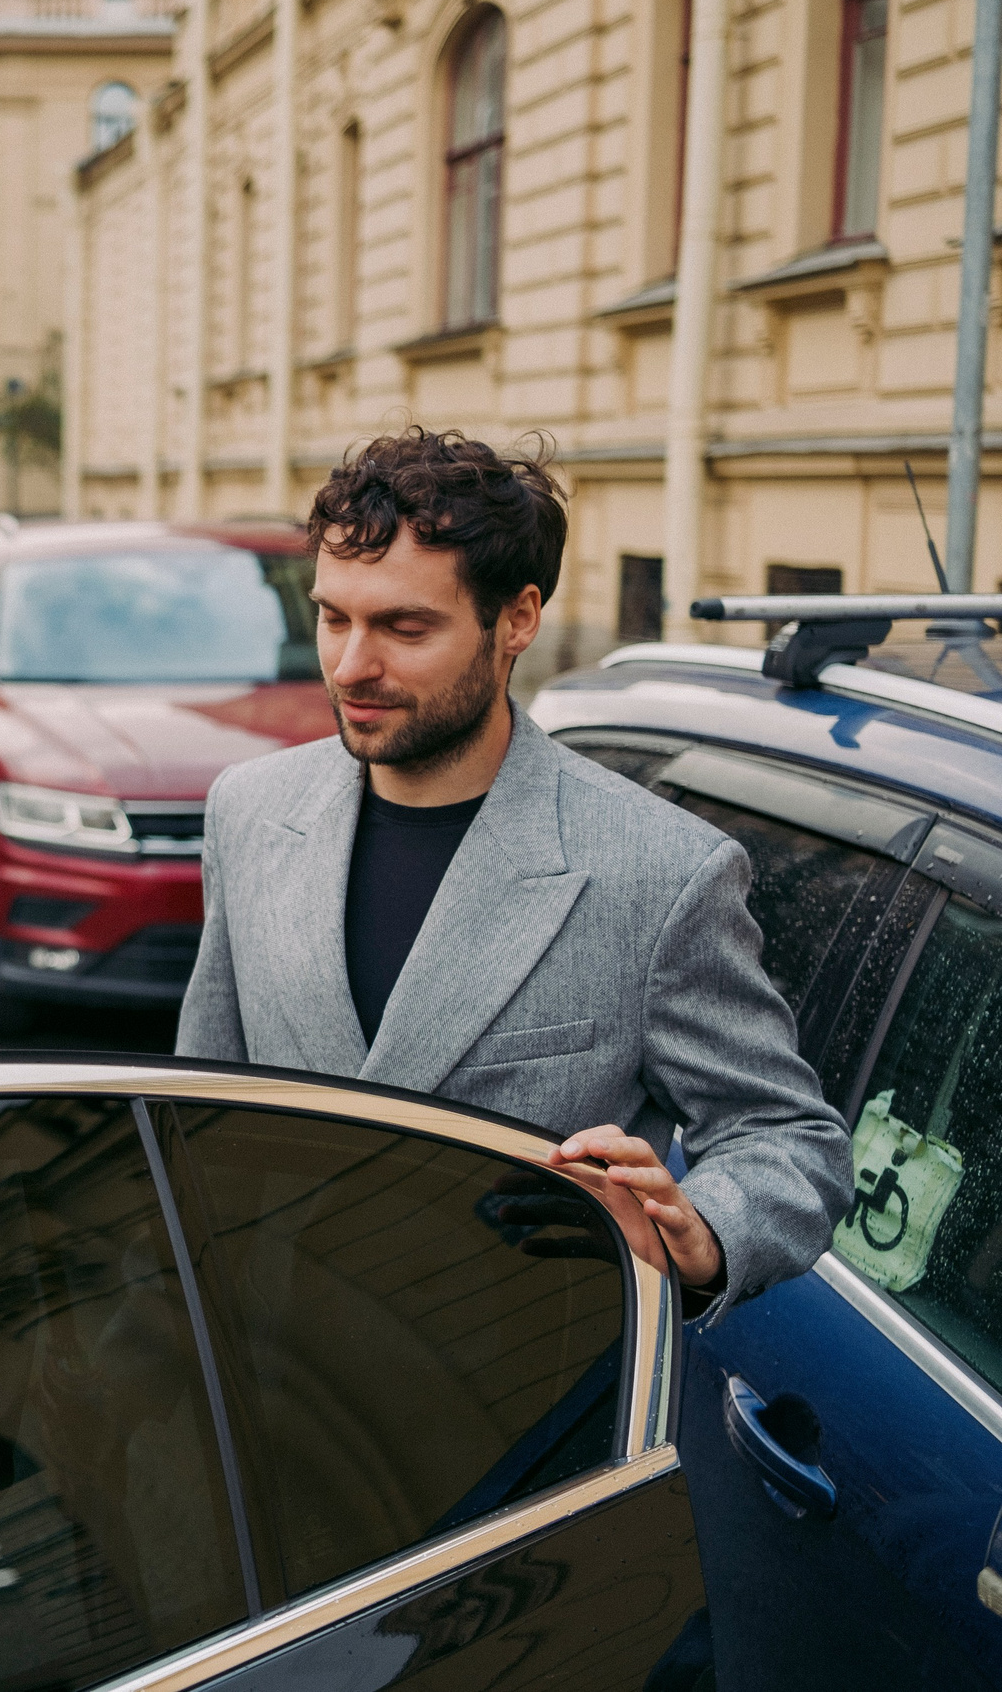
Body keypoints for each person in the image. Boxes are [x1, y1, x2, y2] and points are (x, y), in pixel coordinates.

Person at [178, 426, 851, 1322]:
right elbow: (201, 1106)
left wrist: (700, 1231)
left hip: (523, 1414)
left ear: (519, 619)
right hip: (262, 1380)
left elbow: (791, 1138)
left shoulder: (661, 871)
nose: (349, 666)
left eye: (404, 626)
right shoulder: (247, 811)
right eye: (334, 616)